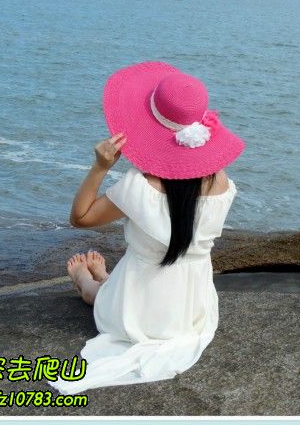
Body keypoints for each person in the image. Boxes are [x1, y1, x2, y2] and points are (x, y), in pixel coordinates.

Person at [48, 61, 245, 394]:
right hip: (191, 310)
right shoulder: (223, 183)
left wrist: (100, 167)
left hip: (139, 303)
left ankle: (86, 281)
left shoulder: (141, 186)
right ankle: (106, 278)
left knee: (101, 299)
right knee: (123, 286)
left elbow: (80, 217)